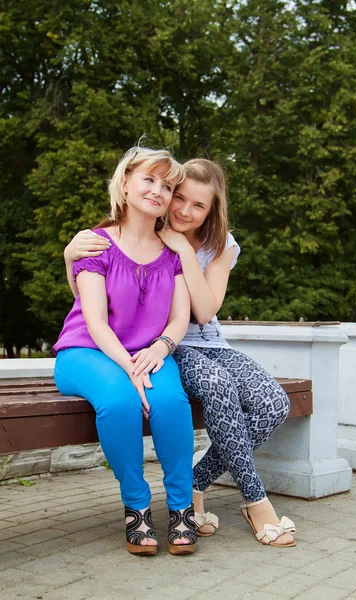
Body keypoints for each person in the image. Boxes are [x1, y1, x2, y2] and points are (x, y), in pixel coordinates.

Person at [65, 158, 296, 548]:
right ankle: (254, 500)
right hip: (168, 347)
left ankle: (194, 485)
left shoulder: (214, 246)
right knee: (215, 387)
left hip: (198, 341)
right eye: (180, 197)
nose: (184, 210)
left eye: (198, 205)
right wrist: (69, 256)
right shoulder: (129, 230)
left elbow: (204, 312)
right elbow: (91, 299)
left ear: (212, 210)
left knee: (274, 404)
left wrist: (186, 252)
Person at [54, 146, 197, 557]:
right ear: (126, 183)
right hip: (86, 352)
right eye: (149, 179)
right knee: (119, 403)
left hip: (148, 352)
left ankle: (181, 509)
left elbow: (179, 318)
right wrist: (130, 371)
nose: (158, 190)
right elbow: (96, 322)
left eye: (167, 186)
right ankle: (136, 508)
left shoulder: (173, 252)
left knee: (170, 401)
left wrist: (160, 347)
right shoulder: (94, 244)